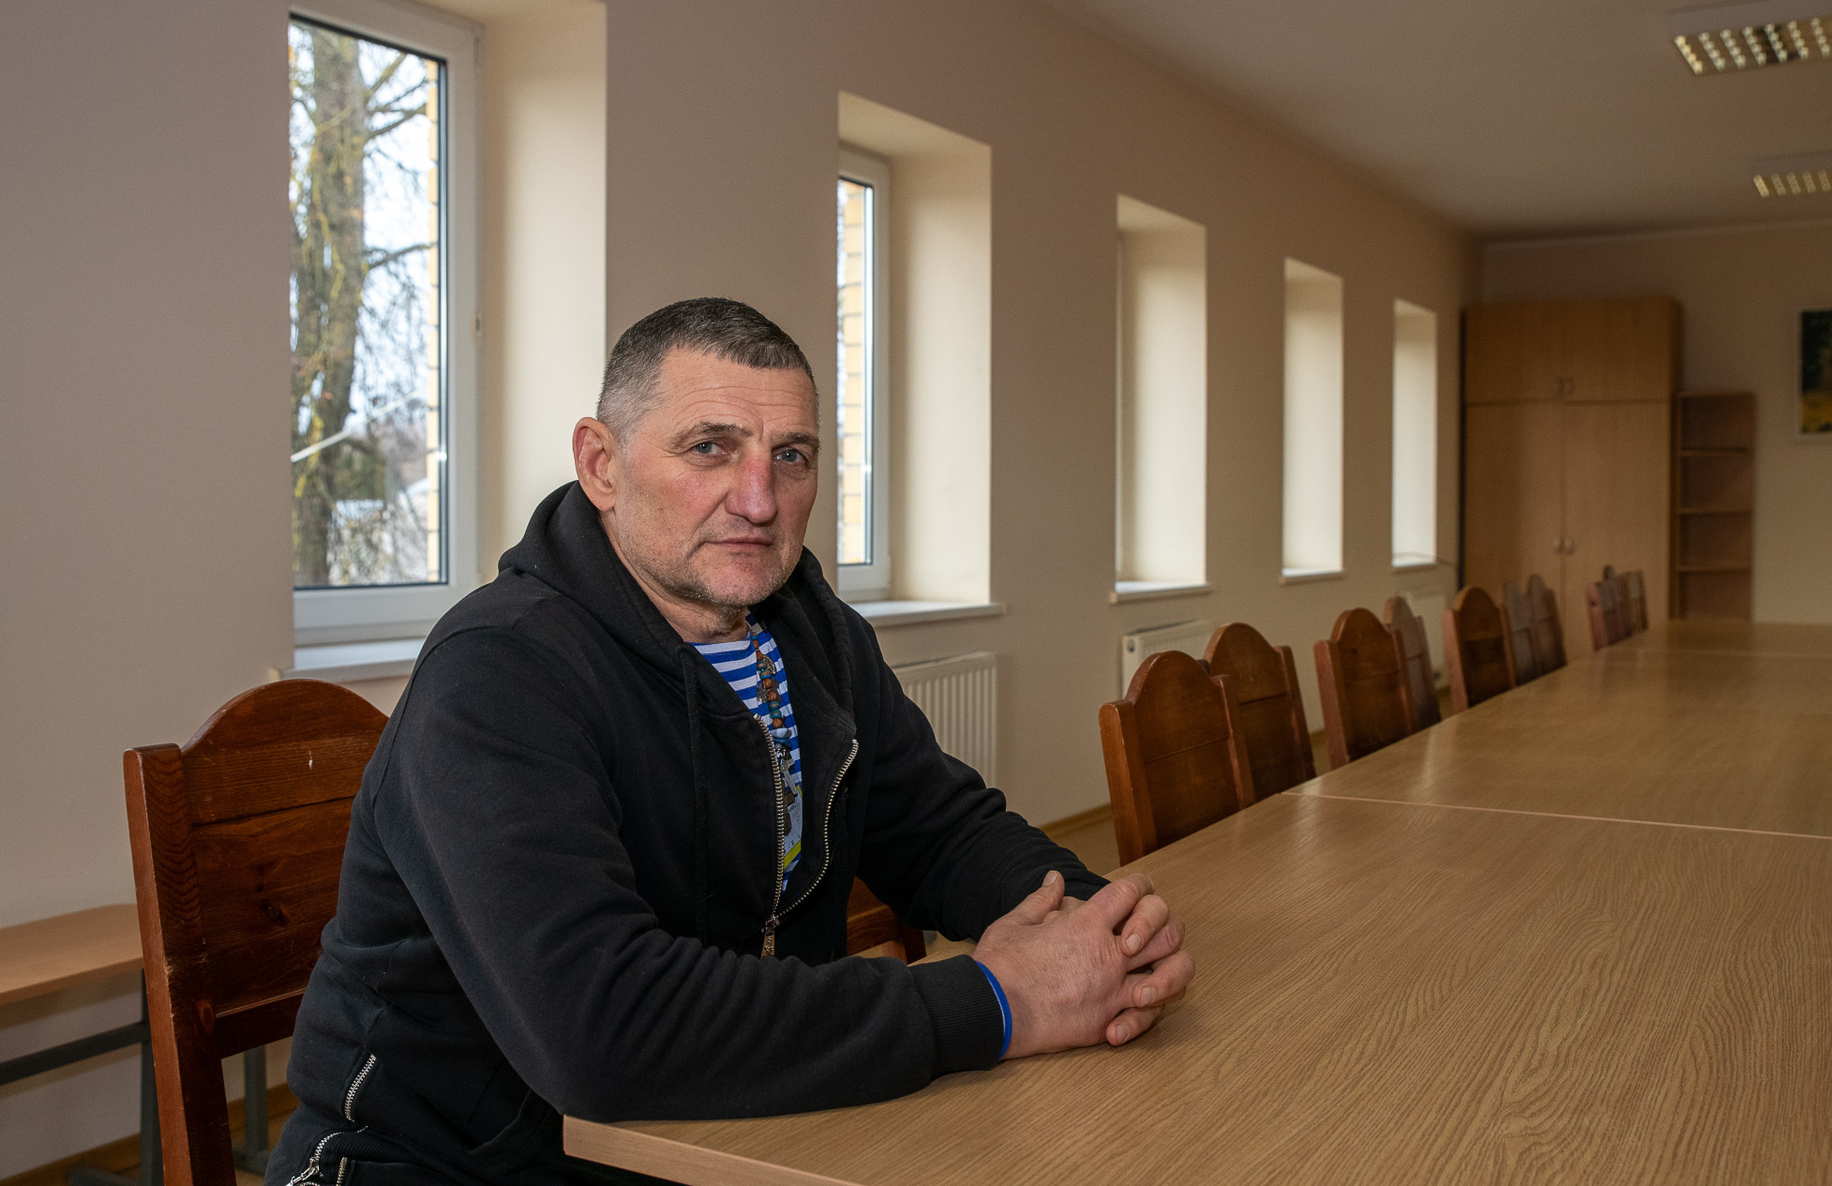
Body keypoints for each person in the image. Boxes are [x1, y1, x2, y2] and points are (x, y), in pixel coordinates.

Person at [269, 298, 1194, 1186]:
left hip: (729, 1134)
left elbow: (943, 831)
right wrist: (999, 1001)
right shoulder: (498, 672)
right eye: (709, 447)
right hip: (443, 1165)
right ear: (601, 464)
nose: (759, 499)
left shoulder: (817, 636)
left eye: (791, 456)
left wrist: (1102, 932)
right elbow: (603, 1032)